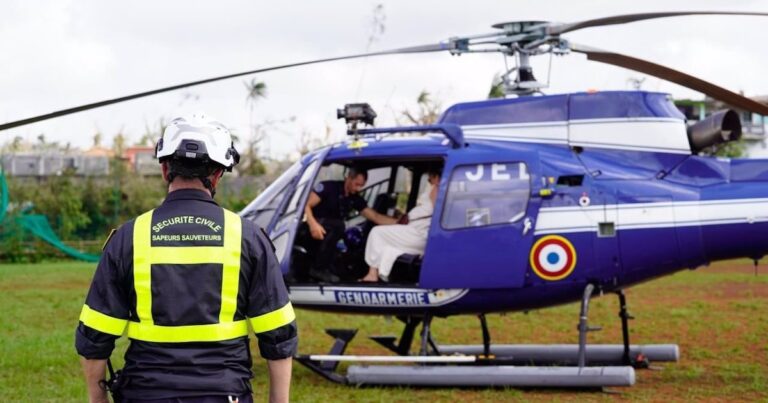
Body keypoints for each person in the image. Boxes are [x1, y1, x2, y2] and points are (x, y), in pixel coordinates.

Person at [75, 113, 297, 403]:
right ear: (218, 173)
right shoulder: (247, 237)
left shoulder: (129, 237)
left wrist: (97, 399)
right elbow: (278, 335)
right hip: (224, 393)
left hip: (145, 394)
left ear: (165, 168)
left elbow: (94, 336)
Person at [302, 167, 396, 282]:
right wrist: (313, 225)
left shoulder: (354, 198)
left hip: (331, 232)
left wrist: (399, 222)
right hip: (313, 226)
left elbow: (375, 217)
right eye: (357, 184)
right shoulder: (328, 187)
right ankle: (318, 269)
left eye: (362, 185)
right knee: (339, 225)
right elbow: (306, 205)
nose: (359, 188)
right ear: (349, 178)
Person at [361, 169, 441, 282]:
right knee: (388, 248)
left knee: (376, 232)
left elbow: (436, 211)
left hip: (420, 234)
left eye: (430, 179)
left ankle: (372, 273)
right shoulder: (437, 188)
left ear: (437, 177)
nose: (429, 181)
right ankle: (381, 275)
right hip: (416, 231)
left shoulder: (437, 188)